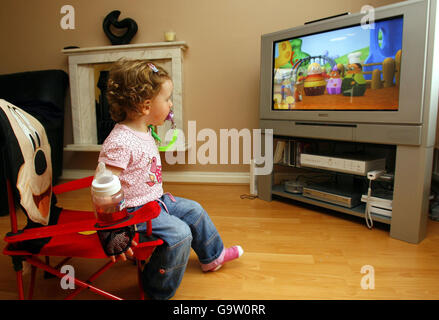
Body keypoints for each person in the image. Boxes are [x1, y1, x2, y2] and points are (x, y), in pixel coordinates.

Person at [96, 59, 244, 300]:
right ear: (145, 106)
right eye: (166, 99)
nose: (171, 104)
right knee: (180, 234)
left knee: (194, 210)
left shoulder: (144, 130)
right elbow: (103, 187)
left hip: (155, 201)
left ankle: (212, 257)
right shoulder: (119, 142)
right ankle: (157, 291)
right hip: (133, 214)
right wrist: (112, 229)